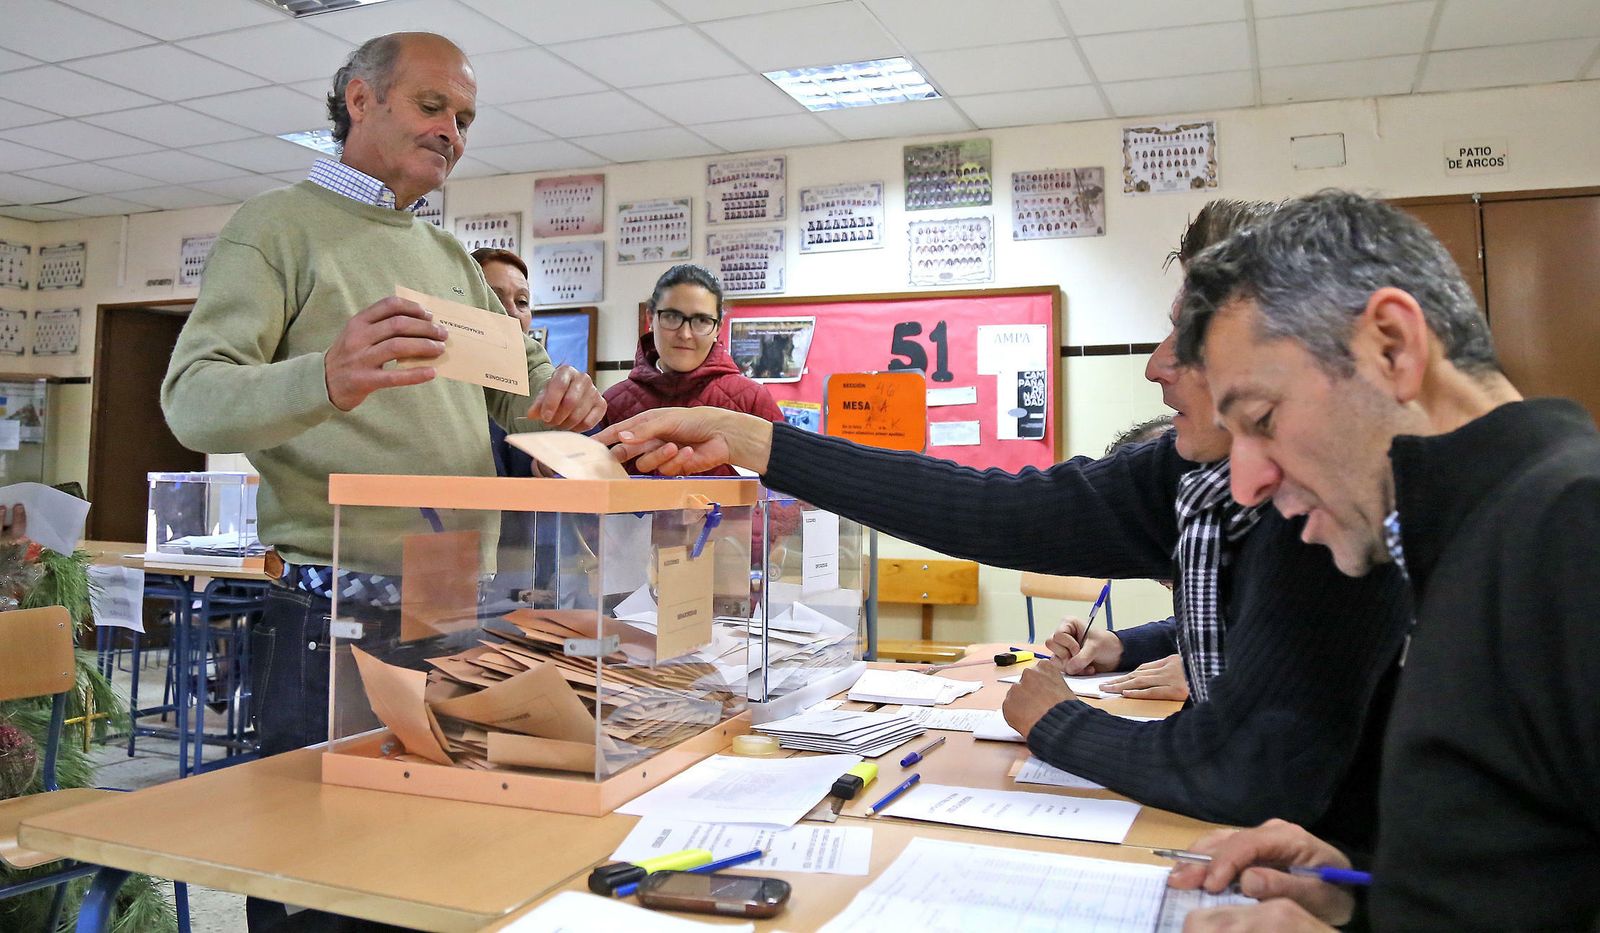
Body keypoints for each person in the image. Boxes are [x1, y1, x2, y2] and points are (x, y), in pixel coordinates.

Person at [597, 202, 1411, 848]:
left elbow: (1251, 766)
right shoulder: (1196, 477)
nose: (1156, 363)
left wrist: (1056, 718)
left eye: (1191, 340)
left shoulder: (1333, 507)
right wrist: (756, 442)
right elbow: (993, 506)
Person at [1167, 189, 1600, 931]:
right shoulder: (1469, 546)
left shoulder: (1570, 532)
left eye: (1263, 419)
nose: (1246, 483)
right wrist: (1363, 898)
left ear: (1392, 347)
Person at [598, 263, 783, 476]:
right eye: (672, 317)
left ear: (718, 327)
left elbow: (789, 495)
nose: (685, 334)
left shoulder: (752, 399)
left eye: (702, 320)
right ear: (651, 318)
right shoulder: (613, 402)